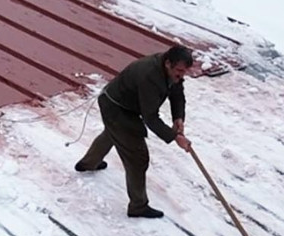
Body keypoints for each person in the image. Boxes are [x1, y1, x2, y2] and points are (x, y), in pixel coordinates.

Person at [75, 45, 199, 219]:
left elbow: (177, 91)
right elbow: (150, 117)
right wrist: (175, 137)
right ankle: (138, 206)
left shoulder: (170, 69)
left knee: (114, 133)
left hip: (124, 105)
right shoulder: (150, 76)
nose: (181, 75)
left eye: (184, 72)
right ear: (168, 63)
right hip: (116, 108)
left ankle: (88, 164)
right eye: (179, 71)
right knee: (137, 157)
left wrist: (178, 117)